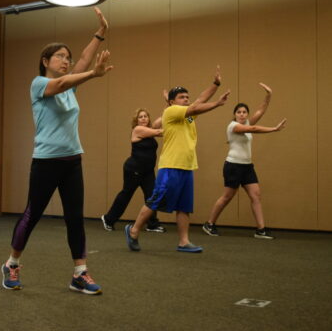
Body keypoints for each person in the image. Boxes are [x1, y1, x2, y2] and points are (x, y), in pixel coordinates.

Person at [1, 7, 113, 295]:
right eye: (60, 56)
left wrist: (100, 33)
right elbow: (65, 80)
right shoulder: (39, 84)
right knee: (33, 213)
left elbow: (83, 62)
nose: (66, 60)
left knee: (75, 217)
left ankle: (80, 272)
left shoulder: (68, 89)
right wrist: (93, 74)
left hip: (72, 161)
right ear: (45, 61)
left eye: (68, 57)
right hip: (46, 162)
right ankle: (11, 264)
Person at [124, 67, 229, 253]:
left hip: (187, 166)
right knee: (155, 201)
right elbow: (198, 106)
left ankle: (183, 242)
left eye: (187, 97)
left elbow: (199, 100)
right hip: (171, 165)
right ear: (172, 102)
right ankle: (133, 230)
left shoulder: (187, 115)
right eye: (181, 97)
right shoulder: (171, 111)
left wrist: (215, 84)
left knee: (184, 206)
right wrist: (218, 104)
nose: (186, 99)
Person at [202, 83, 286, 239]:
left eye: (244, 112)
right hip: (233, 166)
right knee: (227, 197)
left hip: (247, 167)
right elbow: (253, 129)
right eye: (239, 112)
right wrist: (273, 129)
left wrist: (268, 95)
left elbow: (261, 110)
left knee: (256, 196)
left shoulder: (246, 123)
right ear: (235, 115)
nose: (242, 114)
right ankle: (209, 223)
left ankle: (260, 230)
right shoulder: (233, 126)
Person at [101, 107, 166, 233]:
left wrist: (170, 106)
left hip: (147, 171)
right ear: (136, 120)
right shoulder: (138, 130)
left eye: (145, 116)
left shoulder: (149, 129)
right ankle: (108, 219)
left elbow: (163, 118)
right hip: (134, 169)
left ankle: (152, 224)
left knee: (152, 195)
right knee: (126, 194)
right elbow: (159, 132)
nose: (143, 119)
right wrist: (177, 128)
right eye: (140, 117)